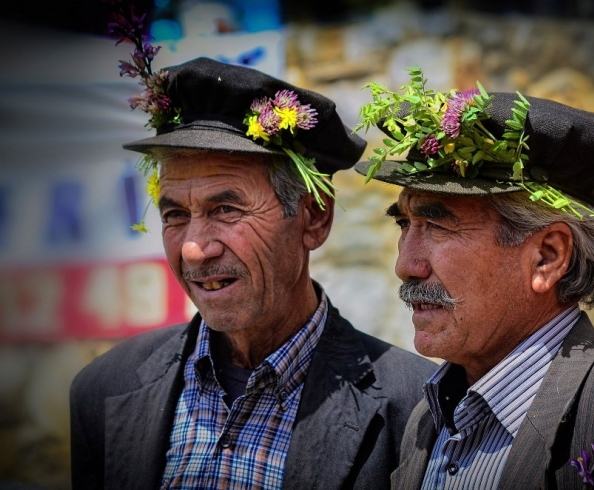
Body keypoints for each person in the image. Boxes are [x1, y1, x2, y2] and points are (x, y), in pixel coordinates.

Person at [354, 75, 594, 489]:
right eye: (404, 223)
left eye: (436, 226)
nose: (405, 265)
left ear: (548, 257)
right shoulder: (427, 416)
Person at [69, 57, 436, 490]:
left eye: (226, 209)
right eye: (174, 214)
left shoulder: (415, 409)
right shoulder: (104, 389)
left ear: (314, 220)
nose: (194, 248)